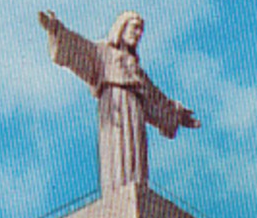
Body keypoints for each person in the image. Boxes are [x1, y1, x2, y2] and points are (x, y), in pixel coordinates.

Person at [38, 10, 200, 194]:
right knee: (116, 154)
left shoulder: (135, 69)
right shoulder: (103, 52)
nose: (138, 34)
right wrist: (56, 30)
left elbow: (156, 98)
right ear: (121, 28)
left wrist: (178, 115)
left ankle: (137, 193)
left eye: (141, 31)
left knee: (135, 154)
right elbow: (78, 47)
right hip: (113, 106)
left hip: (135, 111)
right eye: (135, 28)